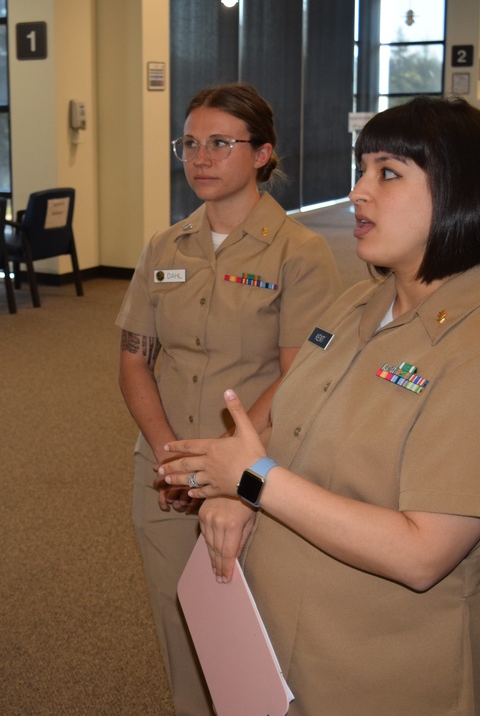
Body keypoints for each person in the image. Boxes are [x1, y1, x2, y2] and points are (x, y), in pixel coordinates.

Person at [159, 96, 480, 715]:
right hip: (291, 650)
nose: (357, 193)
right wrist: (237, 492)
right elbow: (287, 427)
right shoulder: (356, 308)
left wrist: (252, 481)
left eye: (388, 173)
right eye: (362, 169)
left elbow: (422, 553)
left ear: (461, 195)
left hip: (393, 673)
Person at [115, 82, 342, 715]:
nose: (200, 157)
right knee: (181, 622)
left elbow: (299, 377)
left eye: (221, 143)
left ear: (263, 154)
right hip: (164, 470)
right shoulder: (164, 247)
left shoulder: (302, 252)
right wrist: (168, 455)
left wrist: (220, 465)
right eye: (189, 143)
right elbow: (135, 360)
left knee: (254, 631)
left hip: (253, 471)